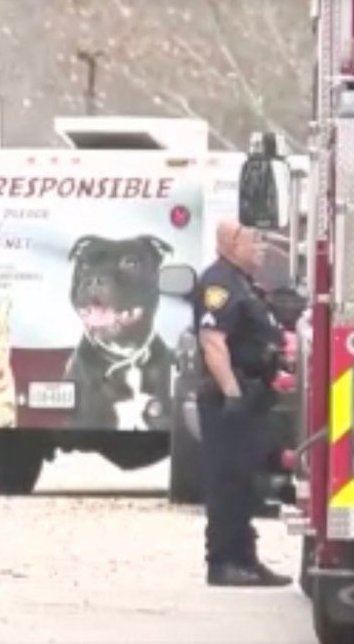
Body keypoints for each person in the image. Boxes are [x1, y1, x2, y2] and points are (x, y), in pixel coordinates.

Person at [194, 218, 292, 588]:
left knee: (247, 484)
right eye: (253, 241)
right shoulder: (219, 282)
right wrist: (233, 394)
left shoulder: (243, 282)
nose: (260, 247)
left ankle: (247, 561)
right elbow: (213, 342)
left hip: (252, 397)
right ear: (231, 244)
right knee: (228, 484)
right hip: (228, 400)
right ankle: (223, 563)